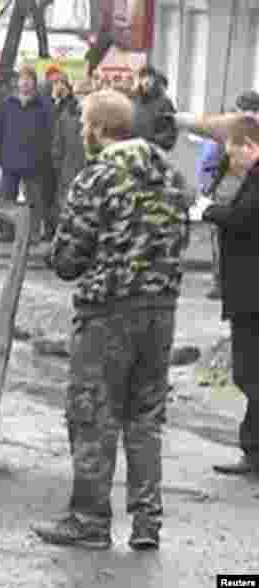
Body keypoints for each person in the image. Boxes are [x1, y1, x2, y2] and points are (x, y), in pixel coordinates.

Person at [33, 89, 190, 551]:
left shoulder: (97, 178)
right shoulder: (170, 175)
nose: (83, 132)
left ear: (99, 129)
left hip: (107, 313)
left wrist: (54, 253)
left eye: (85, 124)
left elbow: (68, 259)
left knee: (93, 414)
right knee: (145, 418)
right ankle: (146, 524)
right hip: (161, 312)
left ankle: (89, 519)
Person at [180, 110, 259, 477]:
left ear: (249, 146)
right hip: (247, 291)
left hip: (252, 294)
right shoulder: (252, 177)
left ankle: (254, 451)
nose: (232, 159)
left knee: (250, 373)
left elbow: (246, 219)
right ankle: (253, 450)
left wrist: (210, 211)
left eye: (234, 151)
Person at [195, 91, 259, 300]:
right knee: (222, 238)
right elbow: (213, 161)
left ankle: (223, 282)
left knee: (227, 237)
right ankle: (221, 281)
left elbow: (211, 160)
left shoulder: (234, 129)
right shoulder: (229, 129)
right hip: (227, 189)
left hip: (235, 190)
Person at [0, 65, 54, 243]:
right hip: (10, 160)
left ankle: (32, 234)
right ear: (17, 82)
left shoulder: (43, 105)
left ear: (34, 83)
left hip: (34, 162)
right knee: (6, 199)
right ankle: (6, 232)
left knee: (34, 201)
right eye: (22, 79)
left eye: (29, 79)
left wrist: (44, 156)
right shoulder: (7, 104)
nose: (25, 83)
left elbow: (49, 133)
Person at [49, 76, 86, 249]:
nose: (82, 96)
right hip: (68, 170)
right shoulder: (66, 115)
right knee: (64, 209)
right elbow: (58, 142)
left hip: (90, 171)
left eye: (86, 92)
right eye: (79, 92)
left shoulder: (100, 115)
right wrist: (58, 165)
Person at [131, 66, 178, 152]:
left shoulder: (165, 103)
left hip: (153, 155)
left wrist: (148, 141)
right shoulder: (134, 101)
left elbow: (169, 135)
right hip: (132, 153)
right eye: (142, 77)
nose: (146, 82)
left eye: (149, 78)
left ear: (154, 80)